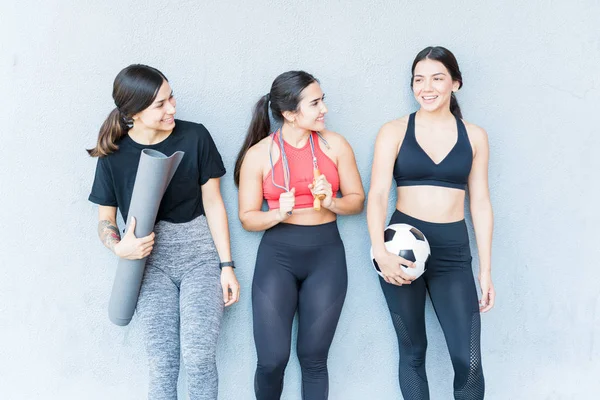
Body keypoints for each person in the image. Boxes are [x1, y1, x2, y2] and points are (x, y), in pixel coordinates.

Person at [87, 64, 239, 400]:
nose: (171, 108)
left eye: (171, 98)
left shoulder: (196, 136)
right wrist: (118, 247)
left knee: (199, 358)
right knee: (163, 364)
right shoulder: (113, 155)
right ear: (133, 113)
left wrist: (226, 266)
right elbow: (105, 219)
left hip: (199, 257)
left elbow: (213, 203)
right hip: (148, 264)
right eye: (160, 104)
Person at [367, 46, 495, 400]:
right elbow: (377, 194)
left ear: (455, 83)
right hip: (398, 251)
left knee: (468, 362)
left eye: (438, 78)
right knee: (412, 352)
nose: (427, 87)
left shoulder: (475, 136)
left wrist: (485, 270)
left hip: (453, 254)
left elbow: (481, 203)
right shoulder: (393, 131)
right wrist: (380, 252)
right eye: (419, 79)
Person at [234, 71, 364, 400]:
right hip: (278, 255)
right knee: (272, 360)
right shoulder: (259, 154)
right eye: (316, 103)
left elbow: (357, 201)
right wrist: (279, 212)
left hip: (327, 256)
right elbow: (247, 218)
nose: (325, 109)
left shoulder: (336, 146)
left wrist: (331, 200)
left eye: (323, 100)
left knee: (314, 359)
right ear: (291, 113)